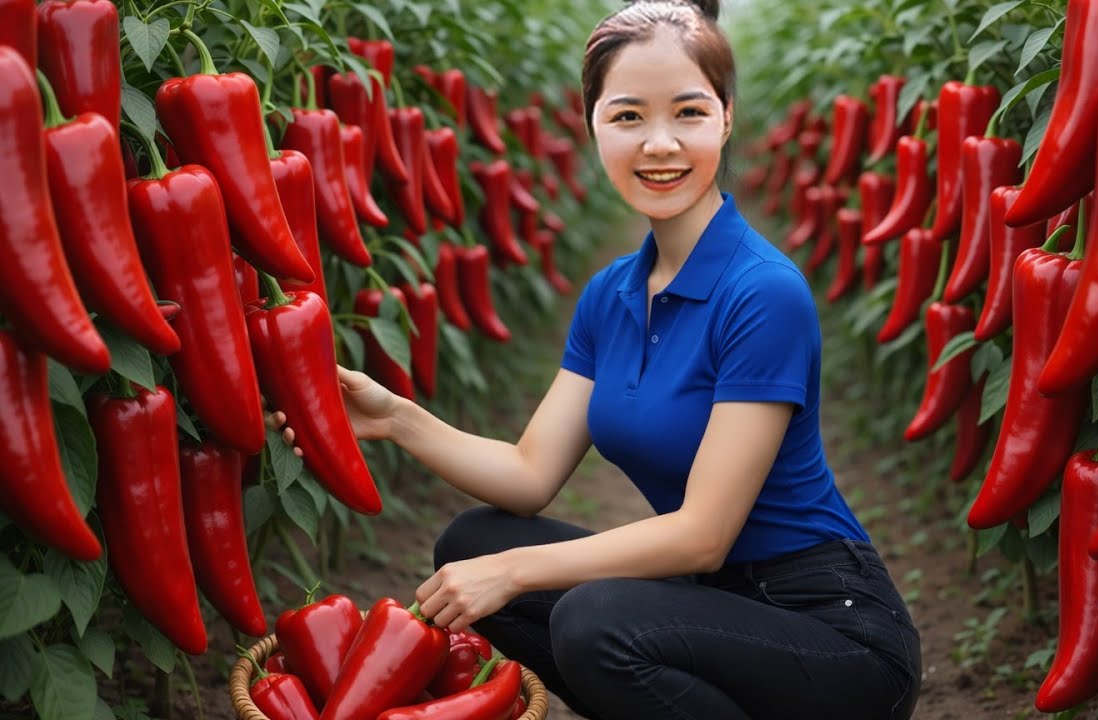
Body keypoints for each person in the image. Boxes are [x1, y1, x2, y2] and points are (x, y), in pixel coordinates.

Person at [273, 1, 921, 717]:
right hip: (713, 610)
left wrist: (515, 572)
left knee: (592, 619)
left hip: (829, 630)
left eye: (689, 113)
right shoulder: (612, 294)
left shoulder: (763, 292)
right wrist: (397, 419)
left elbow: (704, 535)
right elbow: (529, 477)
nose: (660, 144)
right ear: (592, 127)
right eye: (628, 117)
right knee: (474, 539)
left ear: (727, 117)